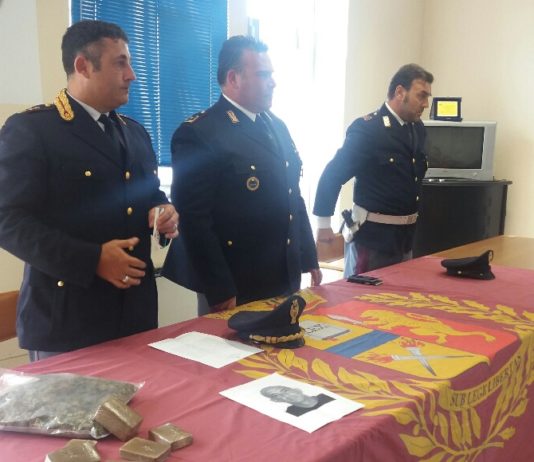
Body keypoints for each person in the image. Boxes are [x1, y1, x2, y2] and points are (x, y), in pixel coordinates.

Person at [0, 20, 178, 361]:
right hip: (68, 320)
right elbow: (8, 221)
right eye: (120, 63)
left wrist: (162, 210)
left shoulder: (134, 132)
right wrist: (92, 259)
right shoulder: (33, 130)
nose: (132, 75)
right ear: (83, 66)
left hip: (135, 315)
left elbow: (149, 193)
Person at [163, 35, 321, 315]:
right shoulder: (201, 132)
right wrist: (220, 288)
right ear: (233, 78)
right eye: (263, 75)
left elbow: (292, 195)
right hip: (236, 280)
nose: (273, 82)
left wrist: (308, 255)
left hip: (282, 270)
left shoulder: (276, 126)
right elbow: (194, 219)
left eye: (271, 74)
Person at [313, 64, 433, 275]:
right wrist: (324, 225)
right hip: (372, 242)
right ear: (400, 92)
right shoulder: (369, 129)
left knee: (399, 296)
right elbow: (333, 174)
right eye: (421, 96)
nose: (426, 104)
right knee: (363, 296)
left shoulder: (417, 129)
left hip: (405, 240)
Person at [260, 386, 334, 417]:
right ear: (276, 400)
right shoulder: (291, 413)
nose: (286, 396)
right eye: (276, 395)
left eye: (285, 391)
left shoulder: (326, 396)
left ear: (296, 389)